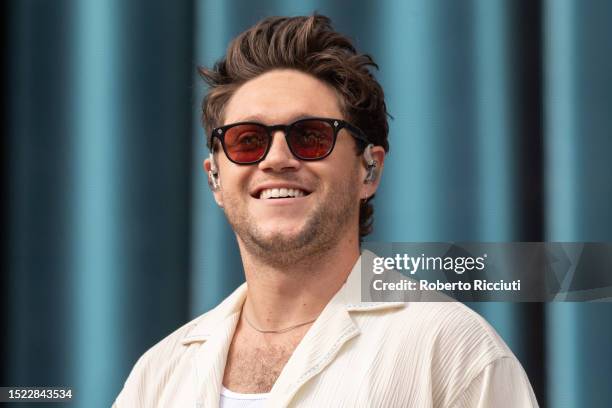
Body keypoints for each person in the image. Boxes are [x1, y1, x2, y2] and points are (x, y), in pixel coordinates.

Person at [114, 14, 538, 407]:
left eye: (312, 136)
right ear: (215, 180)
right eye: (246, 140)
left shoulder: (454, 353)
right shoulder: (158, 375)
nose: (276, 158)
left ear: (369, 170)